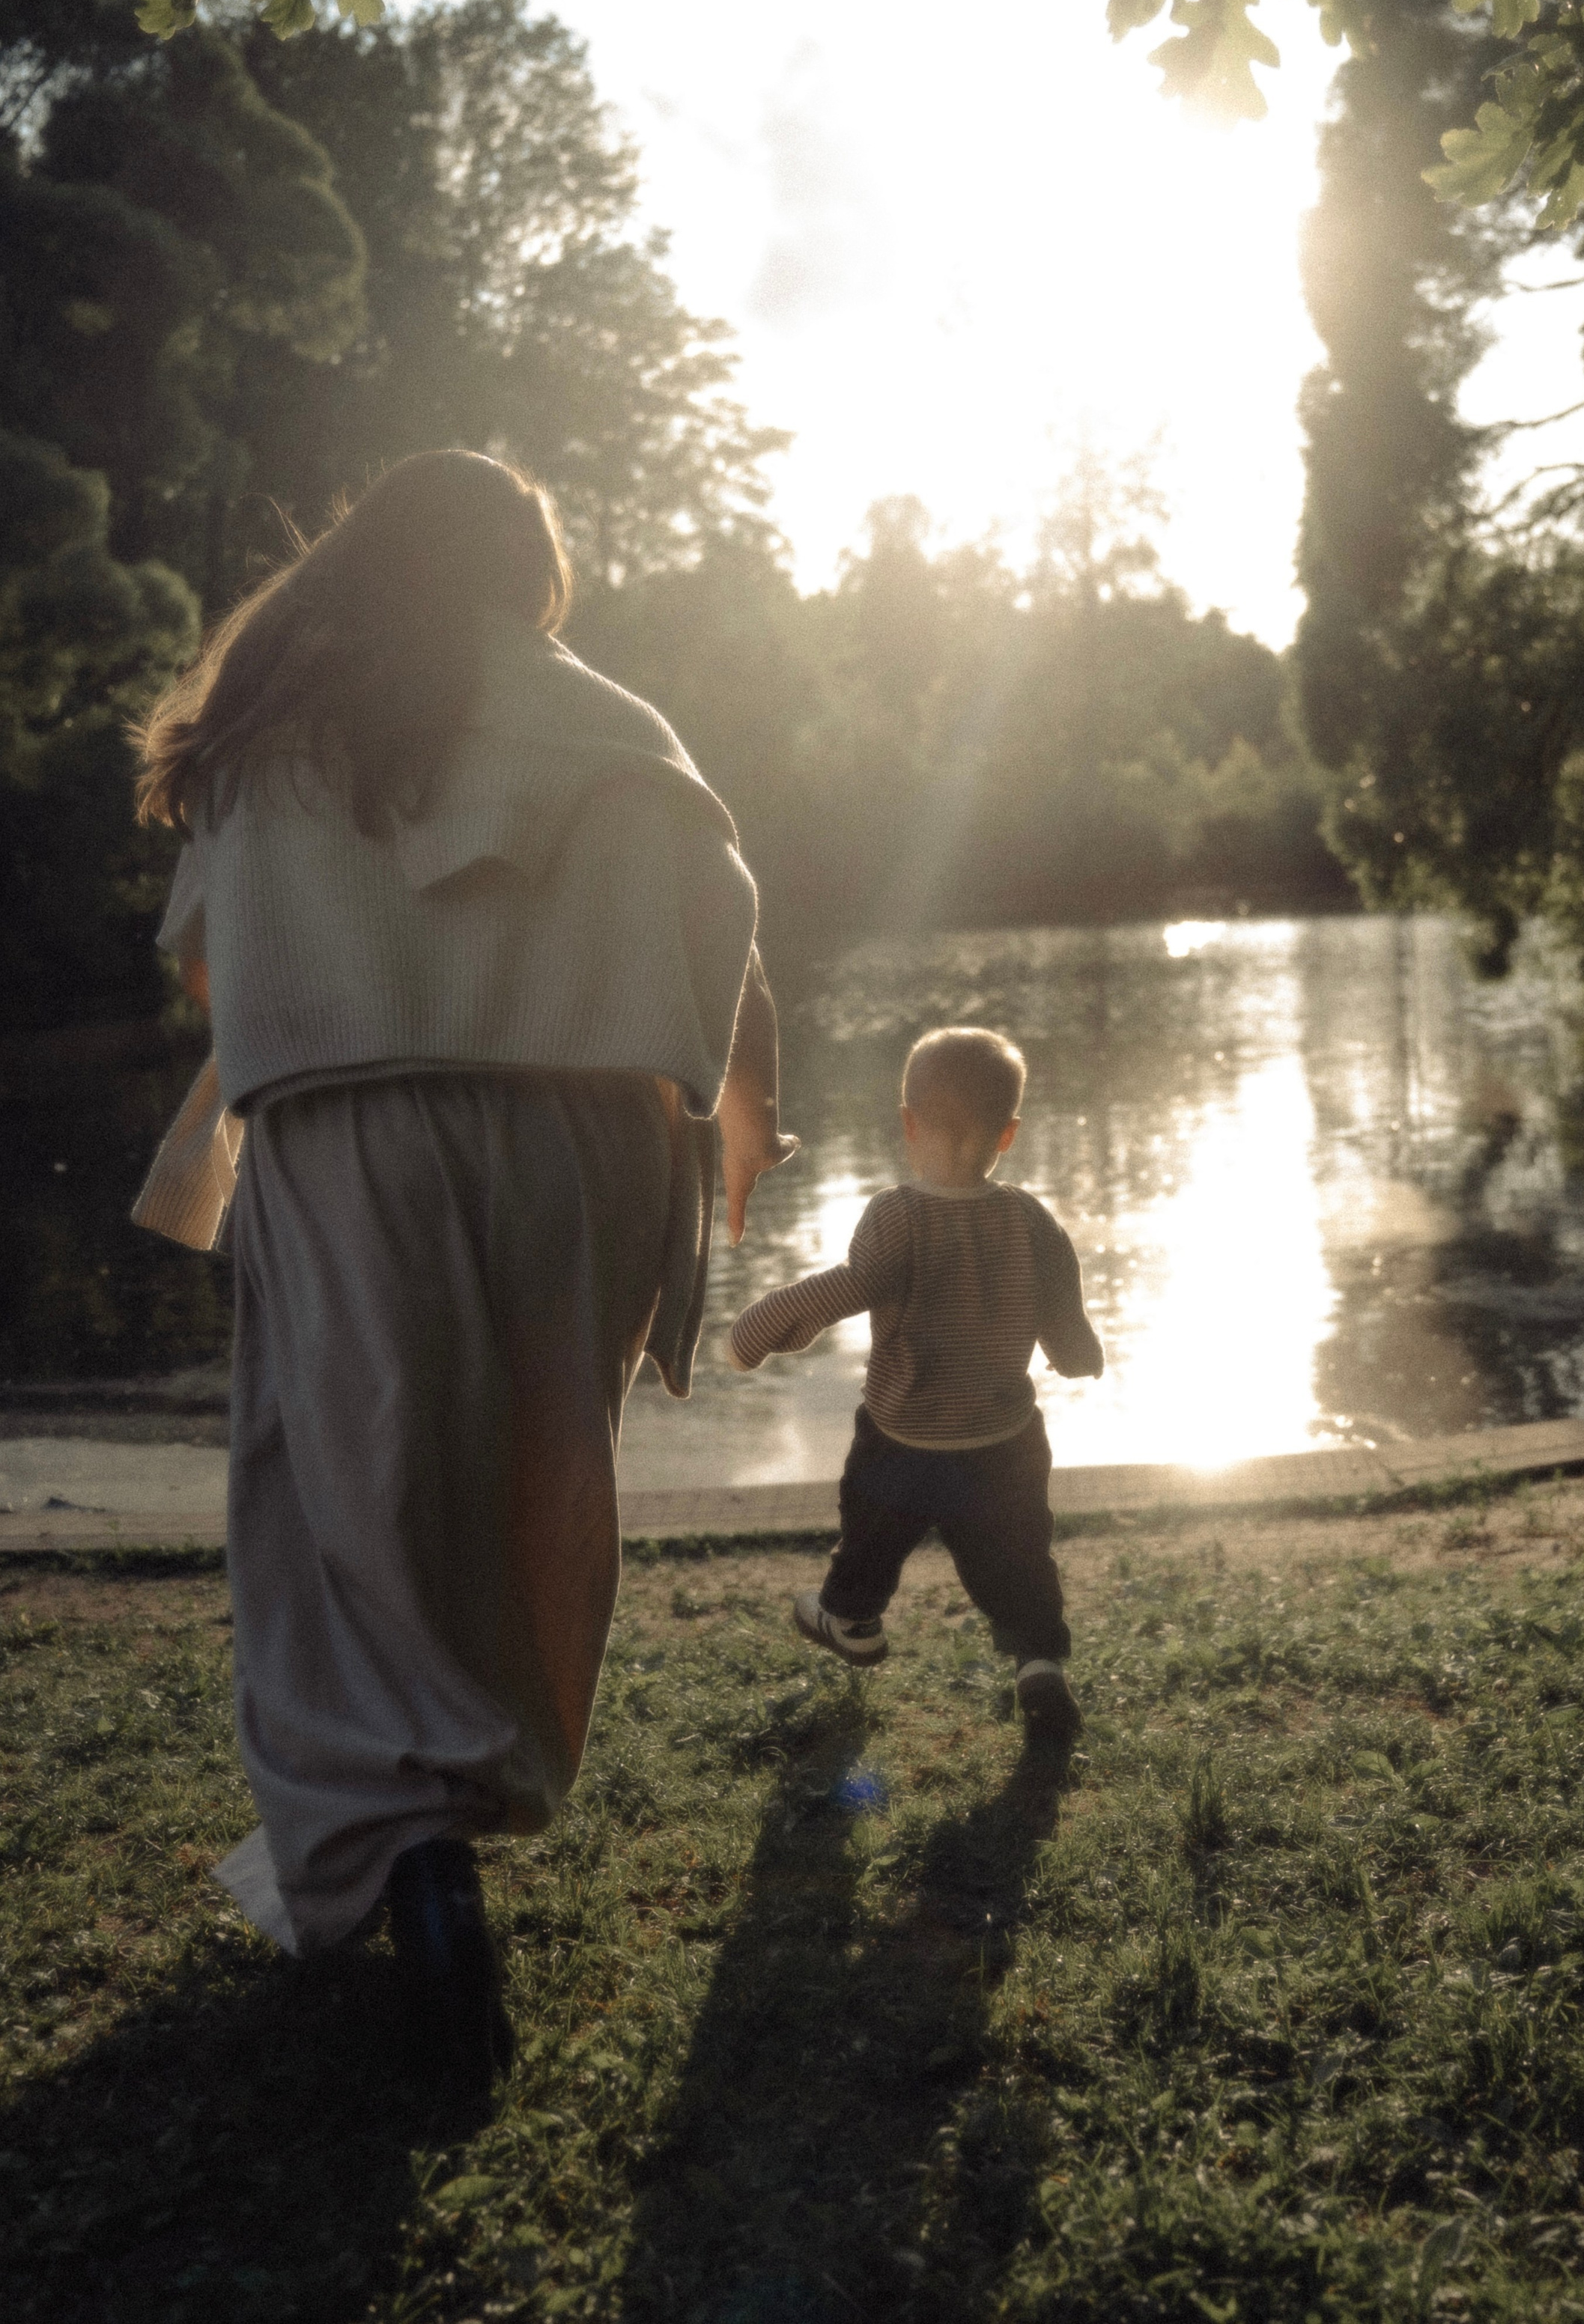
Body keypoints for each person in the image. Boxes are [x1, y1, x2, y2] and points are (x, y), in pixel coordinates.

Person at [129, 449, 794, 2093]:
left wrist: (352, 954)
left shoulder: (268, 732)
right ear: (519, 574)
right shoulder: (603, 721)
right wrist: (742, 1121)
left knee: (345, 1505)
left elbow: (209, 970)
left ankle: (411, 1853)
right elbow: (722, 935)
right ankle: (455, 1793)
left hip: (349, 1139)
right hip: (574, 1143)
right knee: (529, 1474)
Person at [727, 1026, 1102, 1737]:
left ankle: (851, 1618)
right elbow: (1062, 1305)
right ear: (1008, 1133)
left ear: (908, 1122)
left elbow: (847, 1287)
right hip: (1003, 1440)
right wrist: (1078, 1353)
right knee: (1019, 1556)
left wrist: (759, 1331)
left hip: (903, 1440)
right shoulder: (1029, 1218)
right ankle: (1039, 1661)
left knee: (871, 1534)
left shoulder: (895, 1214)